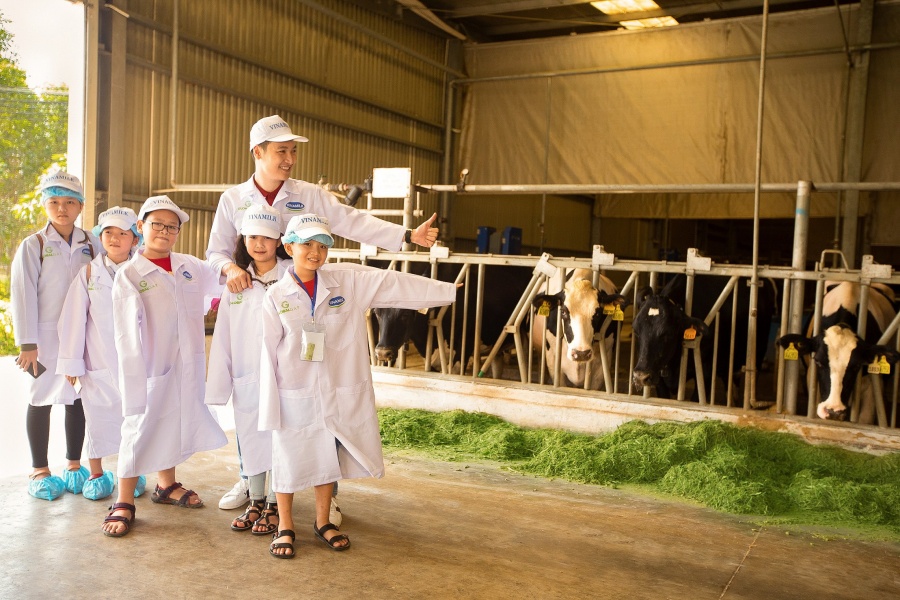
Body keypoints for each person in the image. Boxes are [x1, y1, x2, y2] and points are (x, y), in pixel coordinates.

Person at [207, 114, 440, 517]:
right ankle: (251, 479)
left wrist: (406, 237)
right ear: (257, 152)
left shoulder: (309, 194)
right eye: (282, 151)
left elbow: (352, 221)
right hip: (252, 300)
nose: (290, 159)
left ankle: (324, 496)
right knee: (253, 397)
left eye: (293, 151)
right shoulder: (233, 199)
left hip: (301, 300)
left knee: (314, 400)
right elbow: (216, 251)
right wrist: (229, 269)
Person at [260, 214, 458, 559]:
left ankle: (323, 521)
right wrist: (270, 404)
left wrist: (447, 291)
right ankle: (285, 526)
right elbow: (265, 351)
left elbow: (391, 284)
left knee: (327, 454)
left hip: (336, 386)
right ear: (288, 245)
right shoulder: (275, 295)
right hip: (293, 391)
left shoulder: (346, 282)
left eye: (322, 245)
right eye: (306, 244)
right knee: (288, 456)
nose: (315, 252)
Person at [101, 195, 227, 537]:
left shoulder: (189, 266)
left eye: (172, 226)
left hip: (186, 366)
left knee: (173, 420)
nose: (165, 231)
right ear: (140, 228)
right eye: (157, 224)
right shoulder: (130, 274)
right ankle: (123, 500)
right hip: (148, 367)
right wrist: (134, 384)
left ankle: (166, 485)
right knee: (138, 427)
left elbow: (221, 279)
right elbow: (127, 337)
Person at [11, 170, 102, 500]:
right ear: (45, 205)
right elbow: (23, 294)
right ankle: (40, 469)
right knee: (41, 397)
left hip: (82, 335)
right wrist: (28, 344)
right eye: (53, 202)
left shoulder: (93, 243)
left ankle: (74, 465)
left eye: (68, 202)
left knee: (77, 396)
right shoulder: (33, 244)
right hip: (44, 338)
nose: (61, 209)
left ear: (80, 206)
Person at [206, 204, 289, 535]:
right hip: (248, 375)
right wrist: (220, 384)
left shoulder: (292, 276)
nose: (260, 243)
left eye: (268, 237)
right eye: (253, 236)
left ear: (279, 240)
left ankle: (273, 503)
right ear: (243, 239)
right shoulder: (236, 283)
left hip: (285, 377)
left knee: (279, 438)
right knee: (251, 434)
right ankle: (255, 500)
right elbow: (223, 336)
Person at [56, 207, 147, 501]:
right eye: (108, 232)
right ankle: (96, 474)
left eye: (123, 233)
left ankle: (131, 472)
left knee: (134, 421)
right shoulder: (88, 273)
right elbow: (73, 319)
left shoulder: (144, 270)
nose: (115, 238)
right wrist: (72, 362)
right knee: (97, 418)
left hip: (138, 362)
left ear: (135, 239)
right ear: (100, 236)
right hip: (98, 360)